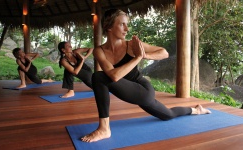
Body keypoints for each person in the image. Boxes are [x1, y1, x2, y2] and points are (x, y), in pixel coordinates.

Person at [81, 9, 211, 142]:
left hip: (143, 90)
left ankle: (104, 129)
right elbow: (114, 76)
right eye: (122, 24)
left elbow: (164, 52)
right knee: (168, 114)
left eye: (127, 24)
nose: (127, 28)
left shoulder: (131, 45)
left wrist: (144, 55)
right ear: (109, 27)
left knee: (98, 77)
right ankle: (196, 110)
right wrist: (137, 58)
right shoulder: (100, 51)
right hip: (127, 90)